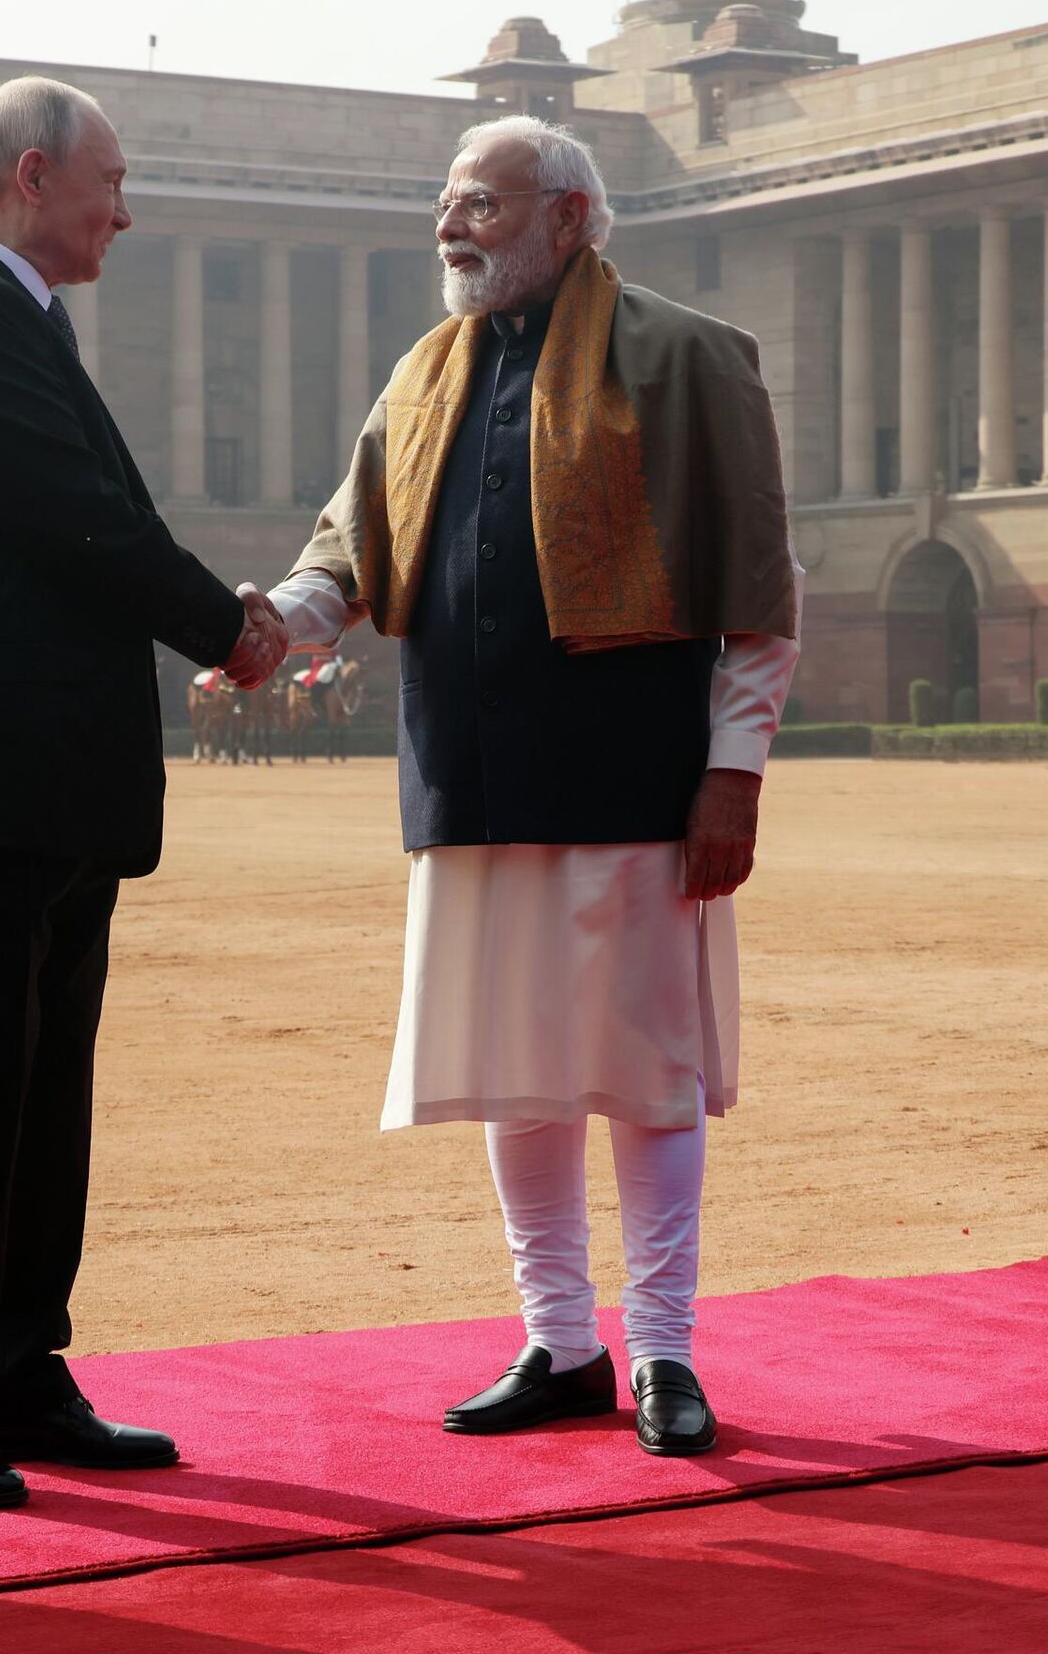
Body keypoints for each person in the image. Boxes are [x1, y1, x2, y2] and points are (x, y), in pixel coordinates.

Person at [270, 115, 799, 1457]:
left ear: (569, 216)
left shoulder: (686, 356)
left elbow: (761, 590)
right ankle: (562, 1342)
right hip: (470, 776)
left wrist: (733, 771)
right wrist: (270, 623)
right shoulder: (425, 370)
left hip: (634, 777)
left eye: (484, 203)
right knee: (517, 1072)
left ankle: (665, 1348)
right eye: (449, 201)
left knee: (649, 1071)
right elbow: (348, 548)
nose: (453, 224)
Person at [0, 75, 286, 1509]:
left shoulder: (13, 316)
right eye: (113, 181)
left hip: (37, 780)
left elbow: (85, 529)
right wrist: (226, 625)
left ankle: (16, 1370)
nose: (126, 210)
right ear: (32, 176)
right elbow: (80, 521)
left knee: (41, 1101)